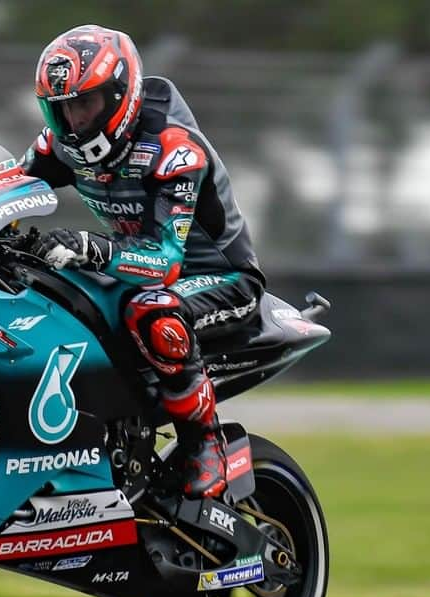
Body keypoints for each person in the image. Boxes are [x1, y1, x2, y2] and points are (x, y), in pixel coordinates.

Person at [23, 25, 265, 499]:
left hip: (219, 279)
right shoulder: (62, 145)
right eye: (63, 108)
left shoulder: (174, 149)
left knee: (152, 309)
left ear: (119, 95)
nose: (73, 120)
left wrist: (93, 248)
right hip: (137, 274)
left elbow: (166, 261)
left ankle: (206, 444)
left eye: (85, 103)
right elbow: (9, 185)